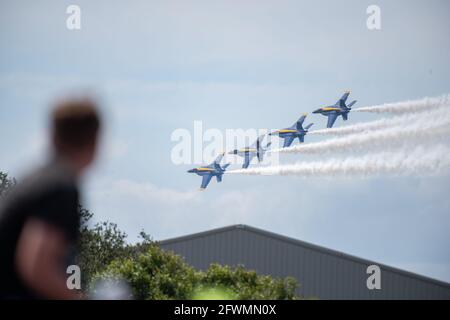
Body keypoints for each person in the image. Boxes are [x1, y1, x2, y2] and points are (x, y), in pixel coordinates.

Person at [0, 98, 101, 299]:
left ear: (54, 136)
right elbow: (37, 265)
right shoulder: (60, 187)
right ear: (95, 142)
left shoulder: (34, 179)